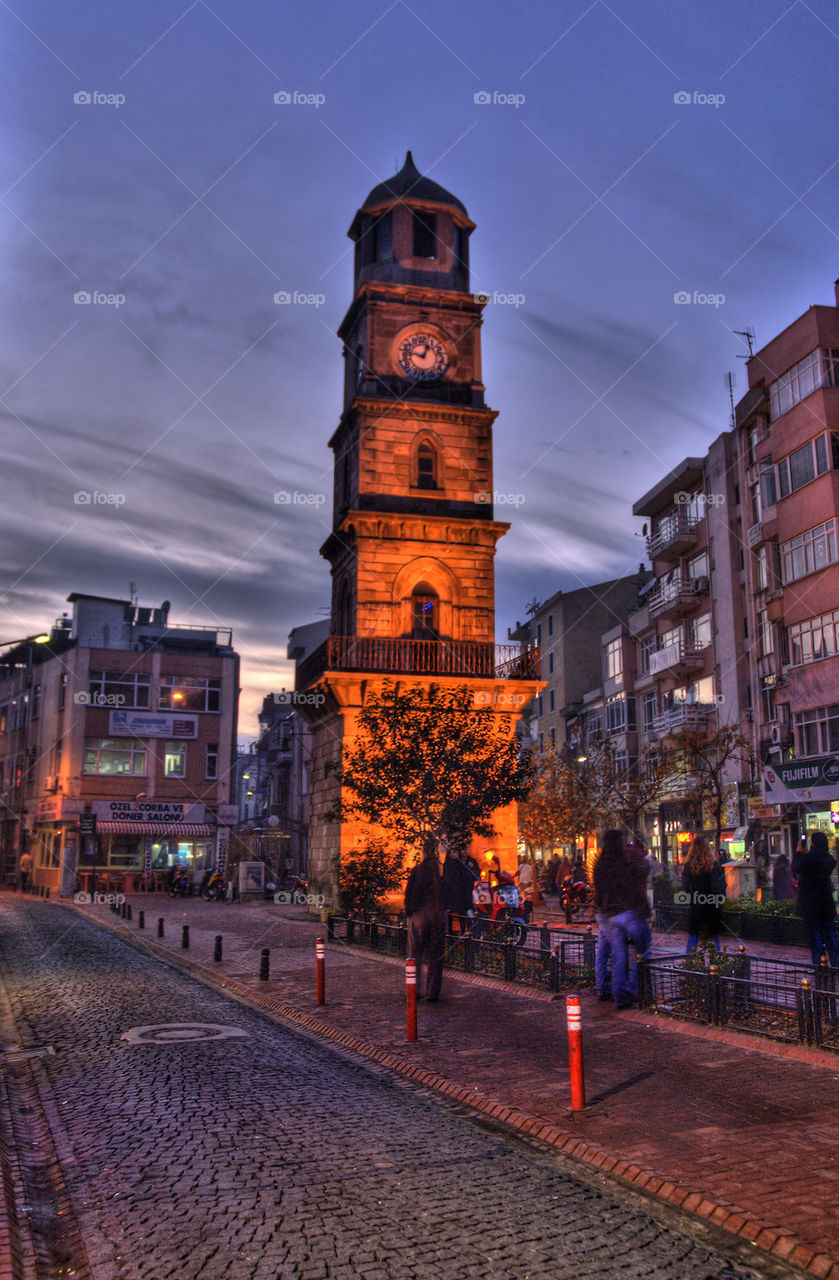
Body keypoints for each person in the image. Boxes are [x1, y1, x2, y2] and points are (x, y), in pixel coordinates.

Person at [592, 830, 649, 1008]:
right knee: (643, 948)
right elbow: (632, 882)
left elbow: (599, 890)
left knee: (614, 953)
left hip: (605, 912)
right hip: (622, 912)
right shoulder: (622, 863)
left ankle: (613, 993)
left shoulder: (600, 864)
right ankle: (632, 990)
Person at [404, 842, 446, 1001]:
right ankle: (432, 992)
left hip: (419, 916)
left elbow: (409, 894)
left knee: (414, 954)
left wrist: (410, 911)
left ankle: (413, 990)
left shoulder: (418, 871)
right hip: (437, 916)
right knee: (435, 956)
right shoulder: (440, 874)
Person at [792, 832, 839, 967]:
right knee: (831, 935)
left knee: (815, 935)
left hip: (810, 905)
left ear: (813, 844)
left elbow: (796, 868)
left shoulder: (808, 860)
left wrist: (799, 853)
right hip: (826, 904)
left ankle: (819, 963)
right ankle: (836, 963)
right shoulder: (828, 860)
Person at [682, 835, 724, 953]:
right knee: (714, 937)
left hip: (696, 905)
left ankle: (690, 964)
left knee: (693, 936)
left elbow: (685, 887)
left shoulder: (688, 866)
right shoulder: (714, 865)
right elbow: (720, 885)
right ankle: (716, 964)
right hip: (711, 905)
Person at [440, 848, 476, 931]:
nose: (454, 854)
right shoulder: (448, 864)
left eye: (455, 852)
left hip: (461, 893)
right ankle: (451, 934)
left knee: (462, 913)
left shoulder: (461, 864)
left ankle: (464, 931)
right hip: (450, 894)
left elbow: (466, 876)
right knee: (450, 915)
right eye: (452, 853)